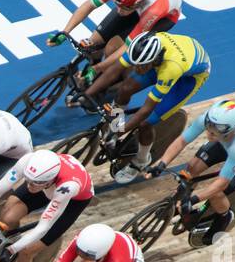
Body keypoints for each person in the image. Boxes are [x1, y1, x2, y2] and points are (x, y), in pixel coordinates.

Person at [82, 31, 212, 183]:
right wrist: (85, 95)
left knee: (146, 122)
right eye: (135, 63)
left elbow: (146, 110)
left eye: (141, 65)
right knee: (124, 89)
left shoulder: (171, 68)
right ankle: (116, 124)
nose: (136, 68)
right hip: (174, 54)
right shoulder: (141, 46)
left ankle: (141, 160)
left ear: (153, 60)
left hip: (189, 78)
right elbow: (114, 71)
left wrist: (118, 132)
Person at [147, 100, 235, 246]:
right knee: (192, 167)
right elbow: (182, 141)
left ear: (229, 130)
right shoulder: (209, 120)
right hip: (230, 136)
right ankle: (178, 200)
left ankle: (225, 217)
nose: (209, 133)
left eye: (214, 131)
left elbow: (221, 183)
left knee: (217, 193)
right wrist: (162, 163)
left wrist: (194, 199)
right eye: (208, 128)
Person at [48, 0, 183, 82]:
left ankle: (110, 86)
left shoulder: (155, 8)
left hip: (163, 18)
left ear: (138, 3)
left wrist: (98, 68)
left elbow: (126, 47)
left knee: (112, 49)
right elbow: (89, 5)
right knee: (94, 42)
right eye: (117, 5)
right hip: (135, 2)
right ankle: (91, 77)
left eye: (124, 8)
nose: (119, 11)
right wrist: (64, 32)